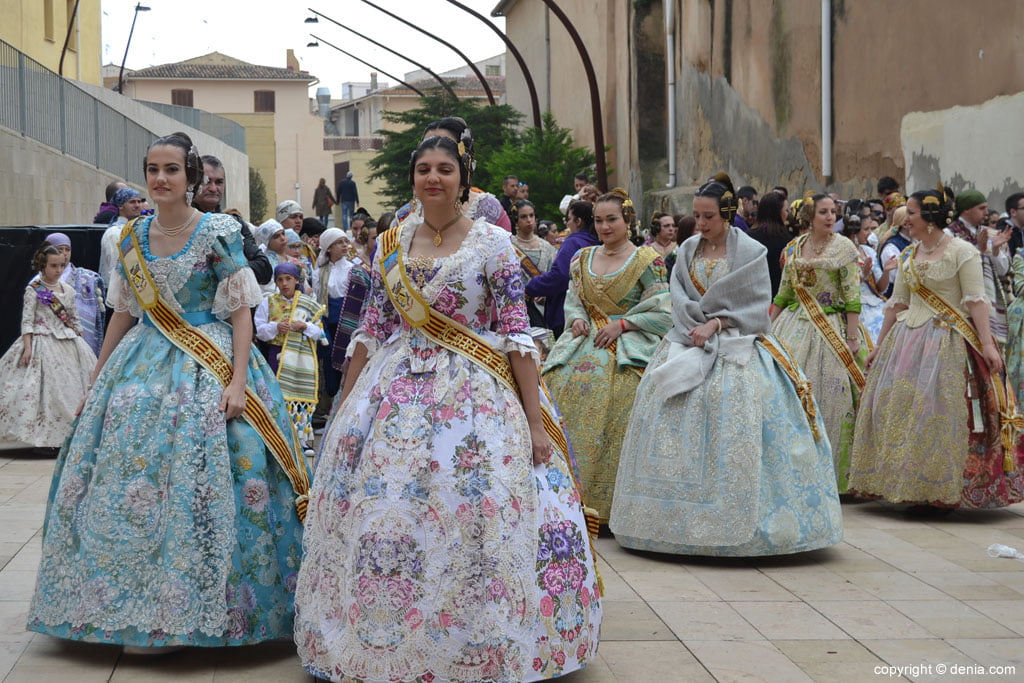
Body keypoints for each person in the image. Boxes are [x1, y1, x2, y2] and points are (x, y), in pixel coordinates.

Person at [294, 130, 602, 683]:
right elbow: (373, 329)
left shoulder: (492, 244)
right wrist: (345, 405)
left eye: (444, 168)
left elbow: (515, 334)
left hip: (478, 398)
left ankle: (480, 640)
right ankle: (382, 638)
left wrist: (535, 423)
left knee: (479, 515)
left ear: (463, 178)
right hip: (393, 392)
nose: (433, 177)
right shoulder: (390, 243)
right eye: (423, 169)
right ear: (413, 178)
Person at [27, 132, 310, 652]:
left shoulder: (217, 231)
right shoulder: (130, 236)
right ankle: (122, 603)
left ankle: (212, 606)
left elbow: (242, 310)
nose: (160, 179)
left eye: (171, 170)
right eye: (152, 170)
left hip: (212, 359)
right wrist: (97, 380)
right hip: (141, 361)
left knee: (223, 471)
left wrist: (240, 380)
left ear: (191, 176)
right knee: (126, 476)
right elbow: (124, 312)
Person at [610, 174, 842, 556]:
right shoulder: (686, 250)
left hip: (739, 344)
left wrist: (717, 323)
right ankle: (666, 522)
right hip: (687, 341)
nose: (700, 225)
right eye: (697, 217)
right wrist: (694, 326)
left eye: (708, 217)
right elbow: (677, 294)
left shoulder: (749, 251)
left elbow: (754, 302)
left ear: (727, 214)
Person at [849, 190, 1024, 509]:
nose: (905, 219)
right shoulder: (907, 256)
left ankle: (943, 486)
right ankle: (908, 482)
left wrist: (987, 344)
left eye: (911, 213)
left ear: (929, 219)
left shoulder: (963, 253)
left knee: (939, 411)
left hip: (949, 341)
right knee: (901, 409)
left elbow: (976, 300)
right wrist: (879, 345)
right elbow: (897, 302)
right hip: (906, 342)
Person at [542, 189, 672, 522]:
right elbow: (574, 300)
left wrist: (625, 324)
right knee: (553, 384)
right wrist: (577, 318)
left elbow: (664, 310)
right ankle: (563, 498)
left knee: (626, 397)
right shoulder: (581, 258)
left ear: (627, 220)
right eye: (598, 221)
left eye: (611, 219)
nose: (604, 227)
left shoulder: (647, 261)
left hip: (629, 347)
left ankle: (613, 503)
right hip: (582, 342)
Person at [770, 193, 866, 493]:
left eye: (833, 212)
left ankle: (835, 477)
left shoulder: (844, 248)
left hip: (833, 328)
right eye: (823, 212)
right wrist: (768, 327)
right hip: (794, 326)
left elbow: (852, 295)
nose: (829, 217)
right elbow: (784, 293)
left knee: (834, 399)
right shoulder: (794, 248)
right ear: (809, 217)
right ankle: (795, 470)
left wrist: (852, 338)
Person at [0, 243, 95, 450]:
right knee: (42, 390)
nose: (58, 270)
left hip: (67, 341)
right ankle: (43, 438)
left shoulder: (68, 290)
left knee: (70, 388)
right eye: (54, 266)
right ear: (43, 266)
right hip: (41, 340)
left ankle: (67, 435)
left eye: (61, 266)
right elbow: (27, 320)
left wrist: (81, 338)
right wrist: (27, 347)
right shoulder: (33, 290)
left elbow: (73, 316)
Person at [255, 262, 326, 453]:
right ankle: (278, 436)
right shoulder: (268, 302)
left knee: (297, 395)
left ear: (296, 280)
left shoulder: (308, 304)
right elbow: (260, 330)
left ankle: (300, 439)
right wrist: (275, 327)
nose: (284, 283)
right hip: (275, 354)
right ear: (276, 282)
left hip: (299, 357)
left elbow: (320, 334)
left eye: (288, 279)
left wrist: (305, 327)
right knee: (276, 395)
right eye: (280, 279)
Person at [194, 154, 273, 285]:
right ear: (193, 182)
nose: (214, 188)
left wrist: (226, 266)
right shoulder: (181, 222)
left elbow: (264, 270)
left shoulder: (235, 223)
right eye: (207, 181)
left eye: (219, 182)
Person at [526, 201, 601, 339]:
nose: (567, 224)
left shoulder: (573, 242)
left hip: (568, 313)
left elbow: (560, 276)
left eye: (569, 219)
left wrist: (530, 287)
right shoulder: (598, 242)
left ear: (578, 221)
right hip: (596, 313)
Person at [947, 190, 1011, 346]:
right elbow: (950, 267)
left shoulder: (988, 232)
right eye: (981, 208)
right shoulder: (949, 233)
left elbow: (1003, 270)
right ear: (967, 209)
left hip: (988, 297)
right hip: (963, 300)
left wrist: (995, 250)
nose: (987, 213)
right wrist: (979, 249)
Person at [36, 232, 106, 356]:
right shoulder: (37, 282)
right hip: (48, 341)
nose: (64, 253)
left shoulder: (86, 278)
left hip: (77, 340)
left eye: (67, 249)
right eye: (59, 249)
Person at [512, 199, 558, 329]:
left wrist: (545, 293)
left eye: (531, 216)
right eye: (523, 217)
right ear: (516, 220)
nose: (529, 220)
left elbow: (554, 277)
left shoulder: (547, 247)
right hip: (517, 309)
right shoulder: (508, 245)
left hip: (544, 309)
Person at [845, 213, 890, 343]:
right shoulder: (843, 252)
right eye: (866, 229)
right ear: (854, 231)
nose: (870, 233)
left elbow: (881, 288)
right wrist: (863, 276)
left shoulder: (868, 251)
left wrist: (887, 271)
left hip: (875, 302)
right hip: (855, 305)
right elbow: (844, 284)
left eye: (871, 229)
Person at [748, 191, 792, 297]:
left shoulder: (747, 237)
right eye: (786, 210)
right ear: (778, 213)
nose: (788, 214)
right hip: (776, 298)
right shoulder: (787, 240)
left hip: (752, 296)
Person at [99, 188, 144, 288]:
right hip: (118, 293)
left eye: (139, 201)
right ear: (120, 206)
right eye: (132, 202)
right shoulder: (115, 233)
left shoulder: (138, 229)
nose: (137, 205)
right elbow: (115, 269)